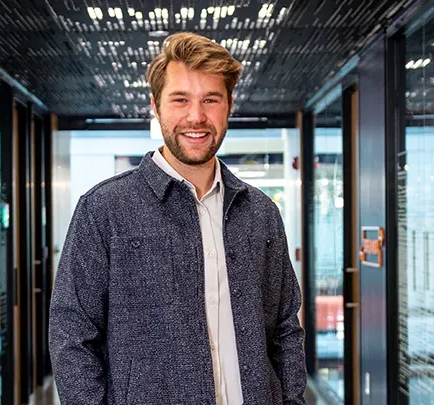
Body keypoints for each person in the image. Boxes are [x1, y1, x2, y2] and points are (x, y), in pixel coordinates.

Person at [49, 31, 306, 405]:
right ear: (156, 106)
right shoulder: (104, 210)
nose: (196, 116)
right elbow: (71, 335)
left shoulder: (261, 213)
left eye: (211, 100)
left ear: (229, 105)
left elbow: (285, 330)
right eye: (180, 99)